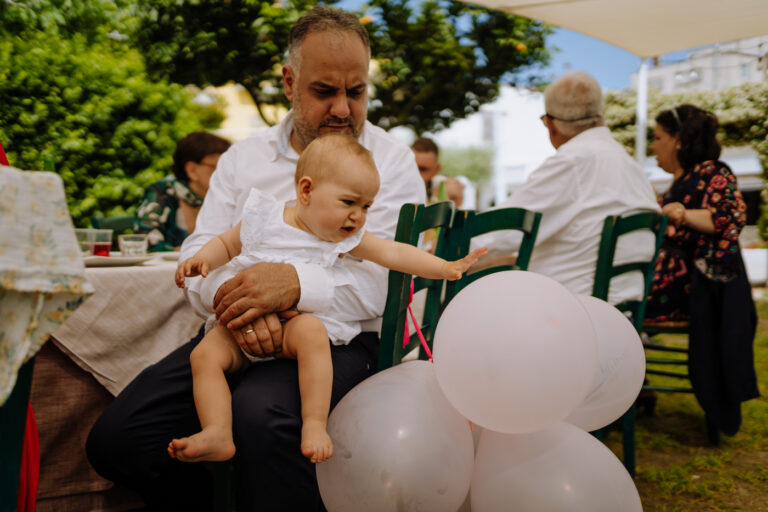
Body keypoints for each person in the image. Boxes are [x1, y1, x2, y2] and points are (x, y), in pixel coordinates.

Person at [86, 7, 427, 511]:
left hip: (344, 338)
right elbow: (199, 252)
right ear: (289, 82)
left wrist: (294, 286)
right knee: (119, 440)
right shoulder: (242, 159)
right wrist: (235, 304)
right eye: (323, 90)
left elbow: (390, 279)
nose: (342, 108)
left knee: (262, 415)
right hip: (232, 331)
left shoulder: (390, 163)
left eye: (355, 92)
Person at [169, 134, 485, 465]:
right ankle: (217, 431)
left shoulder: (341, 237)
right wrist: (202, 260)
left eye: (366, 206)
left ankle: (315, 425)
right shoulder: (263, 217)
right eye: (349, 203)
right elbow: (225, 243)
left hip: (292, 327)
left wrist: (444, 268)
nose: (358, 216)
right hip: (244, 326)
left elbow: (392, 252)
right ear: (306, 191)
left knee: (313, 334)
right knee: (204, 355)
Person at [473, 71, 660, 306]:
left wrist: (444, 248)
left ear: (550, 124)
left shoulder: (573, 161)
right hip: (620, 309)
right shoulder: (631, 167)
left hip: (567, 309)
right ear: (602, 116)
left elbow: (505, 227)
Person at [645, 104, 759, 440]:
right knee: (616, 297)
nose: (653, 146)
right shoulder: (680, 180)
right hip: (680, 281)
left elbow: (729, 218)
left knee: (613, 299)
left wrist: (678, 213)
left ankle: (628, 379)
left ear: (678, 140)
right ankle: (633, 379)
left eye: (657, 137)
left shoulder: (714, 172)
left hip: (702, 286)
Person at [134, 132, 231, 251]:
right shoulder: (161, 192)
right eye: (217, 167)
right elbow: (146, 242)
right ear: (192, 170)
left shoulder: (226, 198)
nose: (227, 173)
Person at [412, 136, 464, 207]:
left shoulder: (442, 186)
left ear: (437, 169)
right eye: (412, 168)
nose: (416, 174)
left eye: (423, 169)